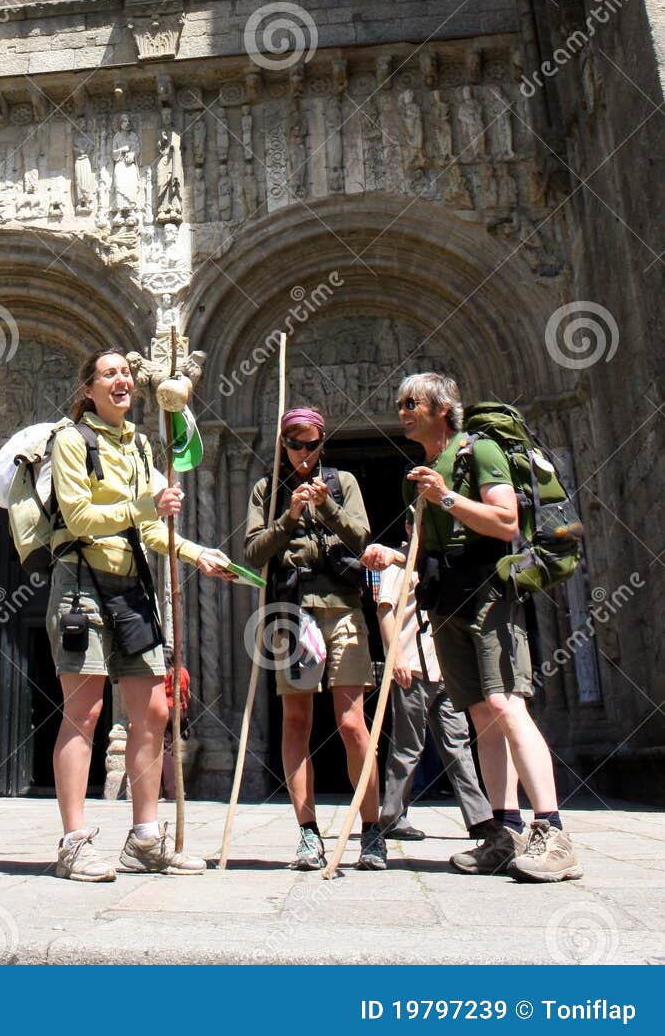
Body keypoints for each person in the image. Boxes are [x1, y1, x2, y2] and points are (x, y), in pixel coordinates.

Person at [47, 348, 231, 880]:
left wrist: (200, 554)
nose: (122, 380)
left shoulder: (141, 445)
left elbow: (148, 531)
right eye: (109, 374)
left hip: (132, 590)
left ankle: (145, 839)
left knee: (153, 712)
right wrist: (147, 507)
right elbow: (80, 519)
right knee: (84, 714)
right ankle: (74, 843)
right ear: (88, 389)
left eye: (126, 373)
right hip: (81, 588)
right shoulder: (70, 441)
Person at [396, 371, 582, 881]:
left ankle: (553, 832)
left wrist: (447, 499)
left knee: (505, 703)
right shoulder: (428, 467)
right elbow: (432, 548)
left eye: (412, 402)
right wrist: (391, 554)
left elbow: (506, 522)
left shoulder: (478, 453)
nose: (403, 411)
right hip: (447, 599)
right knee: (479, 713)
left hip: (488, 594)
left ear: (441, 407)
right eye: (399, 404)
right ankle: (502, 832)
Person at [244, 407, 386, 871]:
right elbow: (253, 551)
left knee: (351, 723)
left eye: (311, 444)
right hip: (291, 614)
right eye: (294, 444)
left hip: (342, 608)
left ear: (323, 443)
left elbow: (363, 536)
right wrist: (289, 518)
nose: (303, 454)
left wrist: (324, 505)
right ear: (283, 445)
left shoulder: (342, 482)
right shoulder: (268, 490)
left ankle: (372, 829)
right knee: (296, 721)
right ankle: (307, 834)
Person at [361, 525, 493, 845]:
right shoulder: (397, 561)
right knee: (408, 746)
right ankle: (392, 816)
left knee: (458, 743)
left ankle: (479, 818)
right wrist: (396, 659)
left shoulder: (441, 561)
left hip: (445, 667)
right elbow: (386, 610)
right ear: (409, 526)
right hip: (413, 667)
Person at [161, 649, 190, 802]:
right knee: (172, 749)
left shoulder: (164, 673)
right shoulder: (184, 672)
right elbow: (186, 693)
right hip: (179, 712)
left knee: (166, 750)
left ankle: (170, 791)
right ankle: (177, 790)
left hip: (165, 710)